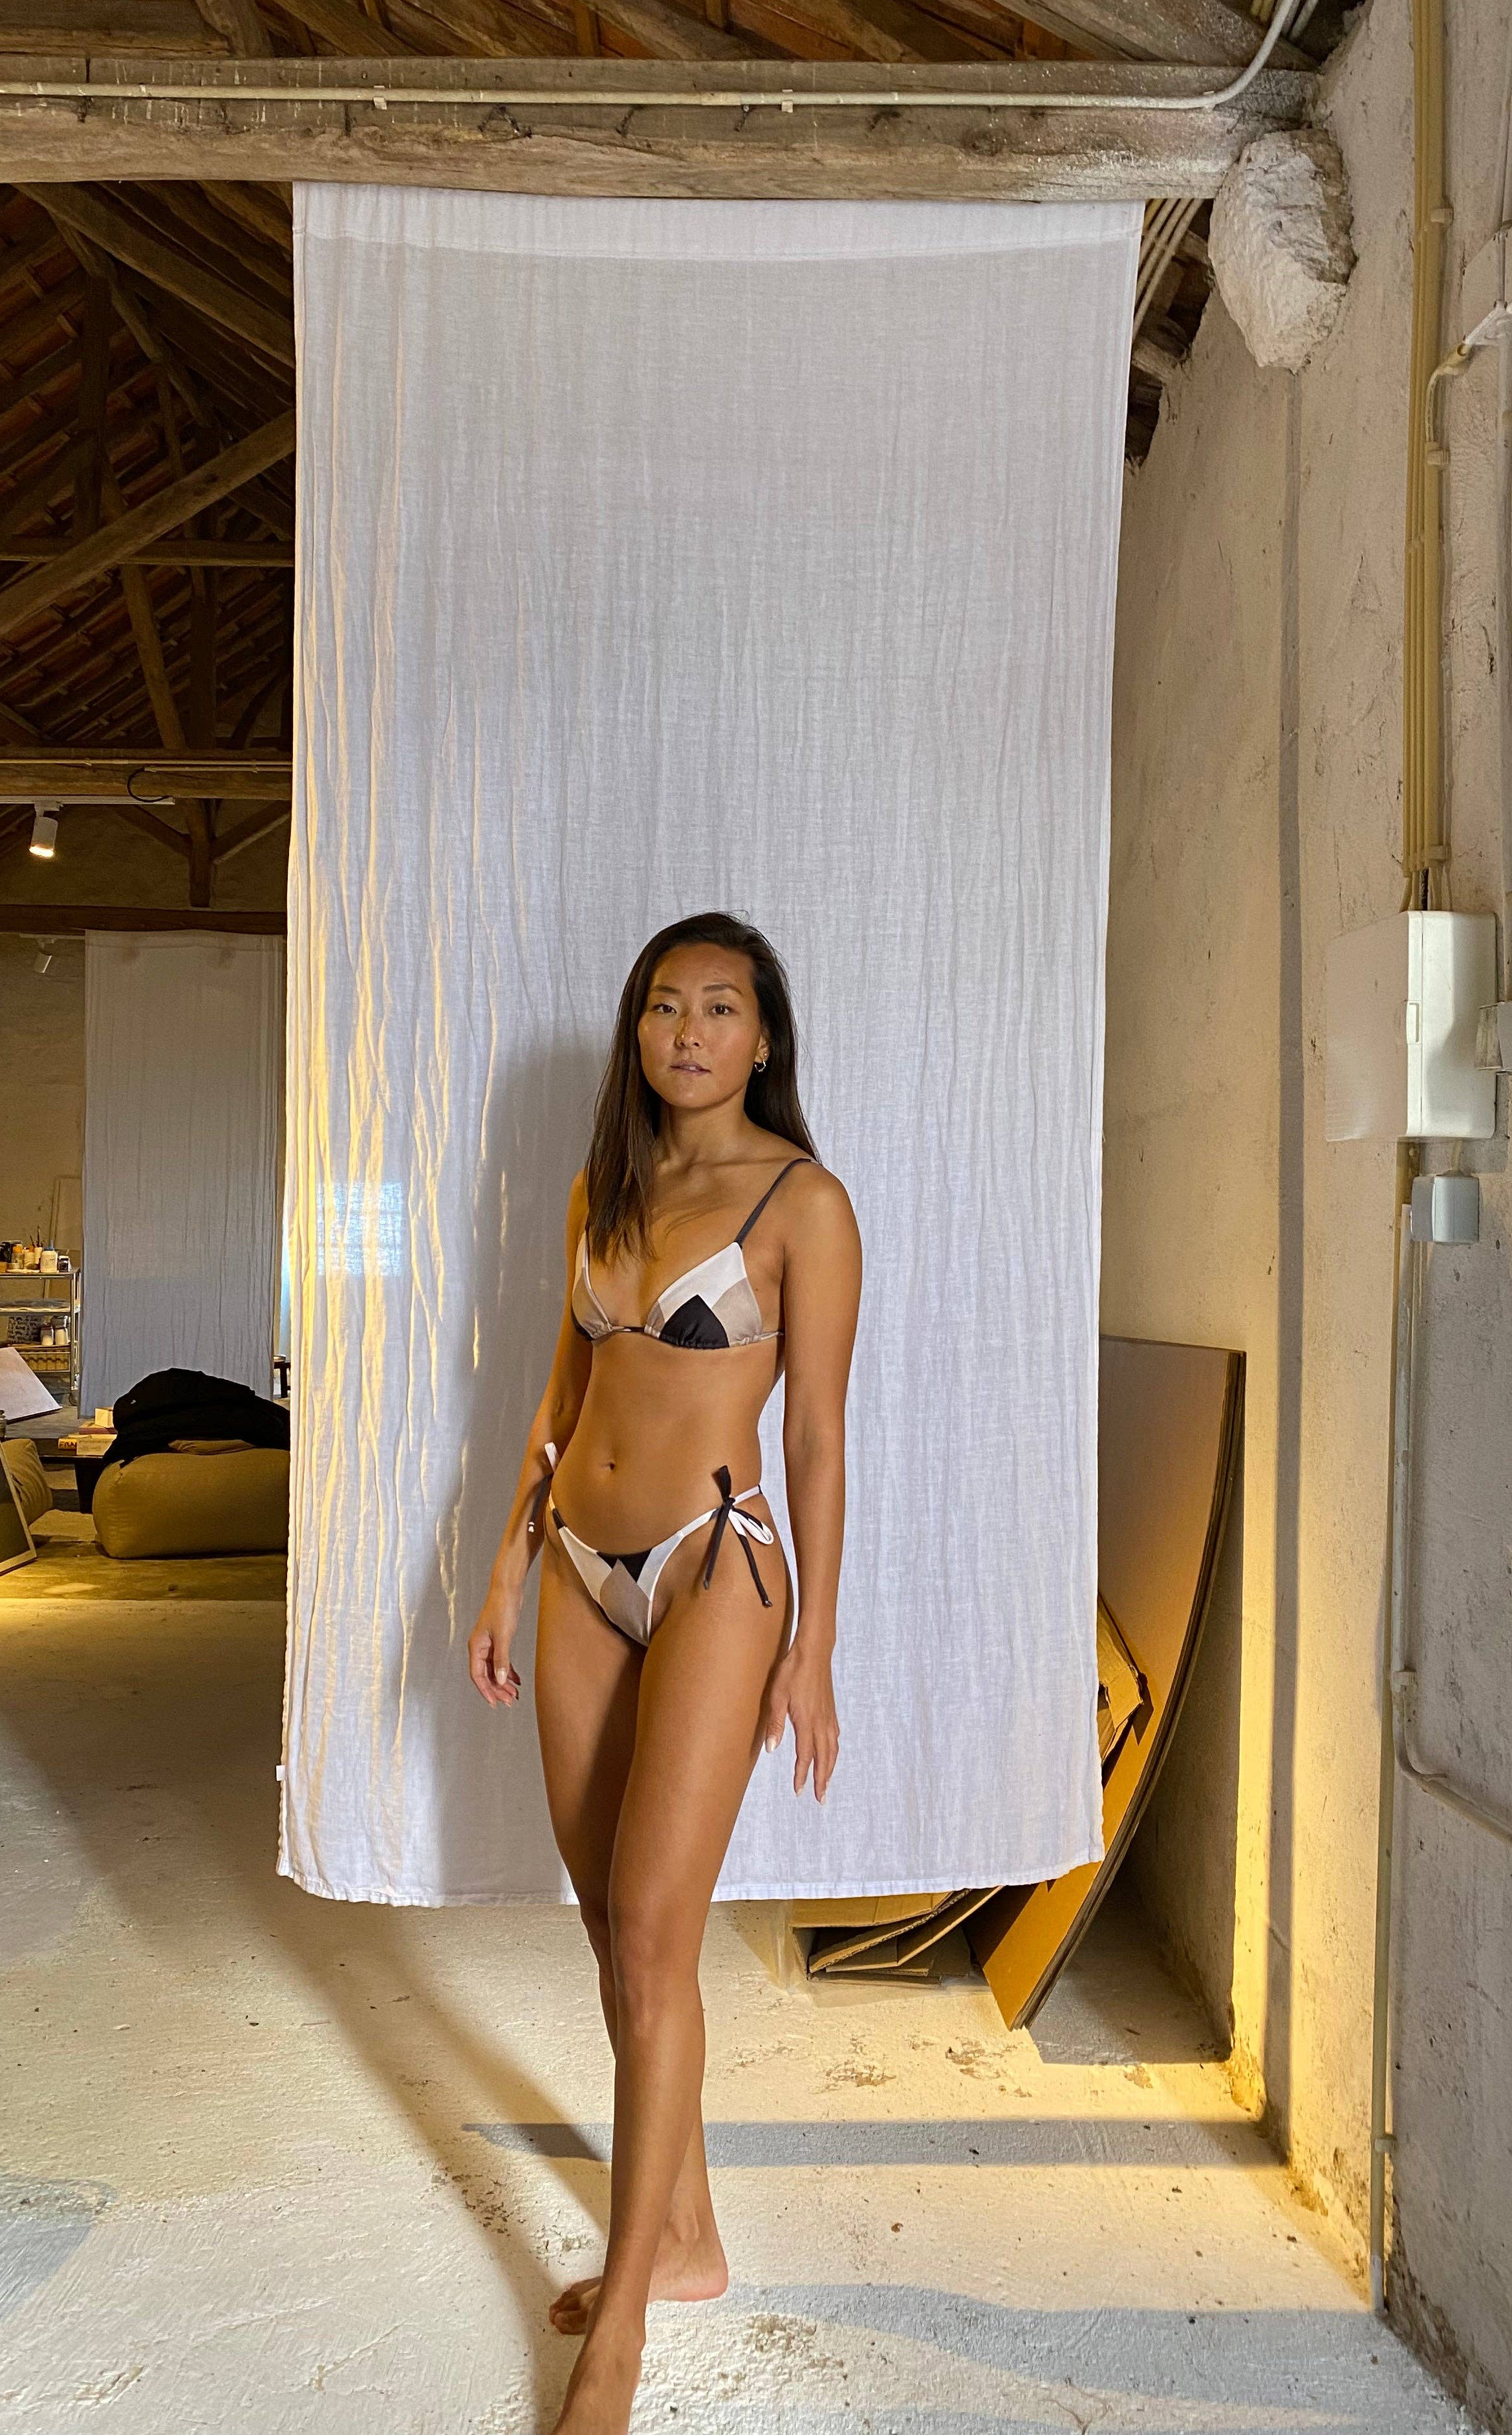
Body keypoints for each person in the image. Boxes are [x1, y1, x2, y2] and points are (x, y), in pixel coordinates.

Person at [470, 911, 861, 2435]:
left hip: (715, 1565)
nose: (687, 1033)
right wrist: (507, 1567)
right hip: (577, 1561)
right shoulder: (603, 1191)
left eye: (719, 1008)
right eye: (662, 1007)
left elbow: (816, 1435)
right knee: (614, 1932)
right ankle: (685, 2237)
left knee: (652, 1928)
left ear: (763, 1039)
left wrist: (814, 1645)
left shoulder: (803, 1202)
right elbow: (560, 1399)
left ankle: (624, 2322)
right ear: (638, 1033)